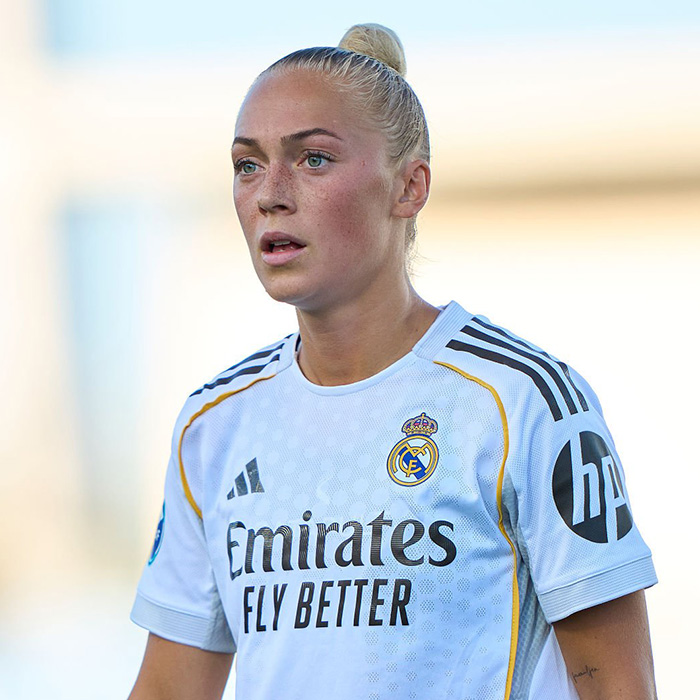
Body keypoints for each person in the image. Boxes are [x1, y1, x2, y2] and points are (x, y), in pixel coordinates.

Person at [128, 24, 658, 700]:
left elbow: (618, 685)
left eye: (313, 159)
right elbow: (169, 689)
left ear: (409, 186)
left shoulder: (522, 401)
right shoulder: (214, 425)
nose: (269, 193)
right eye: (247, 165)